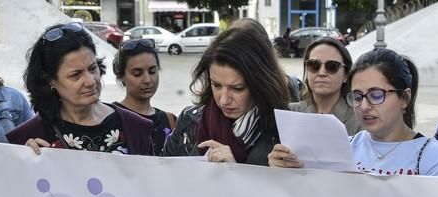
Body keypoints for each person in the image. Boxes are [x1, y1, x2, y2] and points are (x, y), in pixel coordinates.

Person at [269, 49, 438, 176]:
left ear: (404, 98)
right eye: (357, 96)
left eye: (376, 95)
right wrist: (285, 170)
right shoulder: (340, 148)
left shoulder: (434, 157)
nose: (364, 106)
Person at [6, 22, 153, 156]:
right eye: (76, 75)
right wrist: (24, 163)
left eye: (92, 68)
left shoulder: (136, 127)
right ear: (50, 81)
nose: (90, 81)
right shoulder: (28, 137)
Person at [162, 18, 289, 165]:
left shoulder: (284, 132)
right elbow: (163, 178)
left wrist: (234, 173)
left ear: (260, 83)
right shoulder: (189, 120)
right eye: (216, 85)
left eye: (237, 88)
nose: (223, 100)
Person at [112, 38, 176, 156]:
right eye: (137, 74)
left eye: (152, 71)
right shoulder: (110, 118)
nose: (147, 80)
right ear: (121, 76)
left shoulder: (170, 120)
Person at [289, 37, 359, 136]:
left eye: (332, 66)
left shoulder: (360, 117)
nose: (321, 73)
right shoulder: (290, 113)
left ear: (346, 75)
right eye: (313, 65)